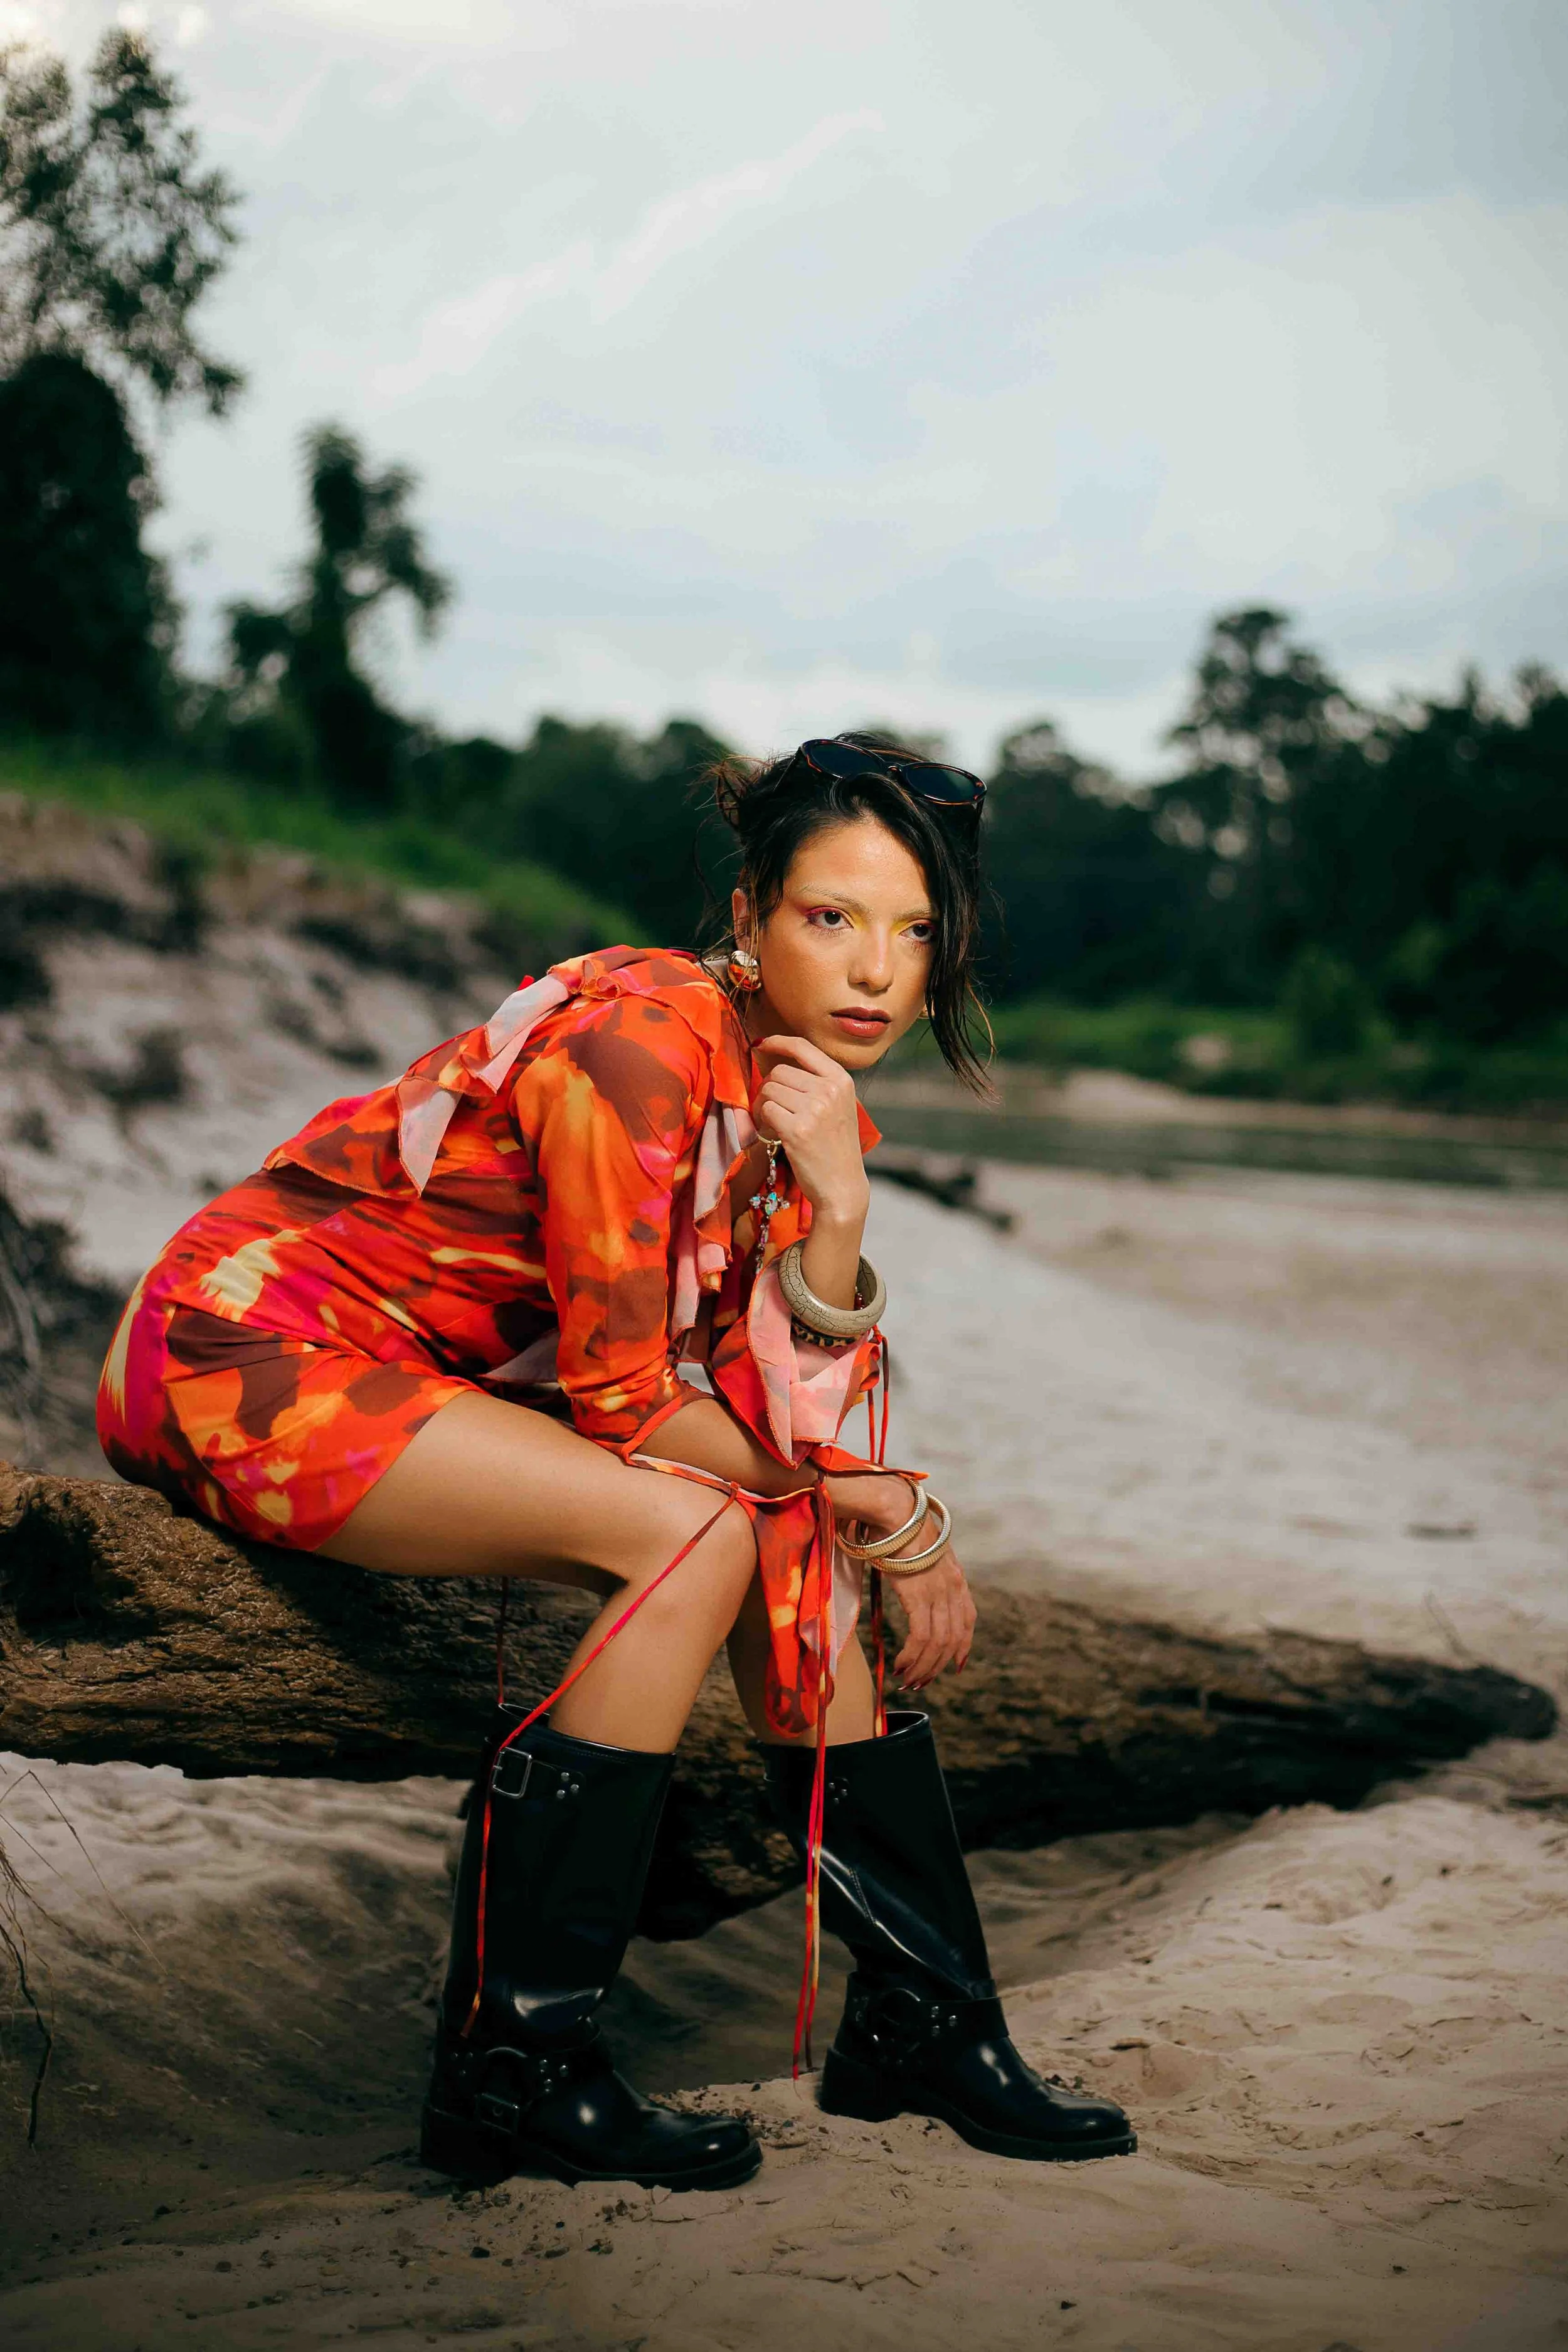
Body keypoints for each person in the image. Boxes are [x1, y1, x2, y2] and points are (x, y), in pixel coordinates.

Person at [96, 733, 1135, 2191]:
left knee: (773, 1528)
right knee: (698, 1531)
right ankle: (513, 2069)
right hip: (239, 1352)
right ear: (747, 919)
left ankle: (927, 2019)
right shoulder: (635, 1047)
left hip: (415, 1389)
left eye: (912, 933)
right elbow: (637, 1408)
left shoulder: (791, 1090)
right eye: (829, 918)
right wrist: (876, 1501)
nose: (874, 972)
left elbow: (771, 1399)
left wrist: (836, 1209)